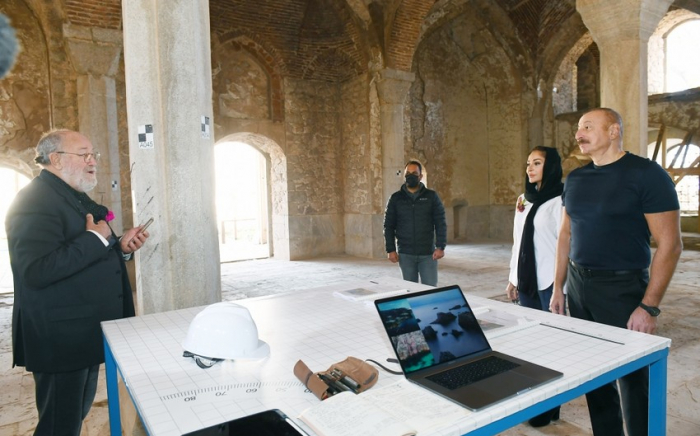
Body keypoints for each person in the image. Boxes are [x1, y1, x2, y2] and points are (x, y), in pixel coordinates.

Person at [6, 129, 150, 436]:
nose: (93, 161)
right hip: (60, 337)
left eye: (93, 154)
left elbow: (85, 251)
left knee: (75, 415)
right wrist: (95, 238)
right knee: (59, 424)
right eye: (83, 154)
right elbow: (36, 270)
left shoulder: (69, 194)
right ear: (56, 159)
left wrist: (120, 248)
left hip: (80, 330)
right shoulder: (34, 201)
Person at [550, 108, 682, 436]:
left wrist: (649, 306)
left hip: (623, 287)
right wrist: (558, 288)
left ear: (613, 131)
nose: (578, 134)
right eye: (578, 128)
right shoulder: (575, 179)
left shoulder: (647, 174)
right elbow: (566, 234)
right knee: (595, 373)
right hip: (580, 286)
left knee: (634, 378)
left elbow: (671, 245)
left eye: (588, 127)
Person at [505, 145, 564, 427]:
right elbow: (518, 241)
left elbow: (565, 245)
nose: (529, 168)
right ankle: (537, 403)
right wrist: (512, 278)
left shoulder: (561, 199)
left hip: (550, 282)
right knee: (532, 344)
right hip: (527, 280)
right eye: (528, 163)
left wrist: (559, 288)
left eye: (537, 163)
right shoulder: (523, 200)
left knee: (554, 344)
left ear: (550, 166)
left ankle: (552, 405)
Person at [383, 160, 447, 286]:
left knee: (430, 291)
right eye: (408, 173)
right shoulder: (396, 198)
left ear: (420, 176)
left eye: (414, 173)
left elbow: (440, 222)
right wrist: (390, 249)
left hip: (428, 254)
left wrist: (440, 247)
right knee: (410, 291)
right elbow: (388, 225)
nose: (410, 176)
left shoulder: (431, 196)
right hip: (405, 254)